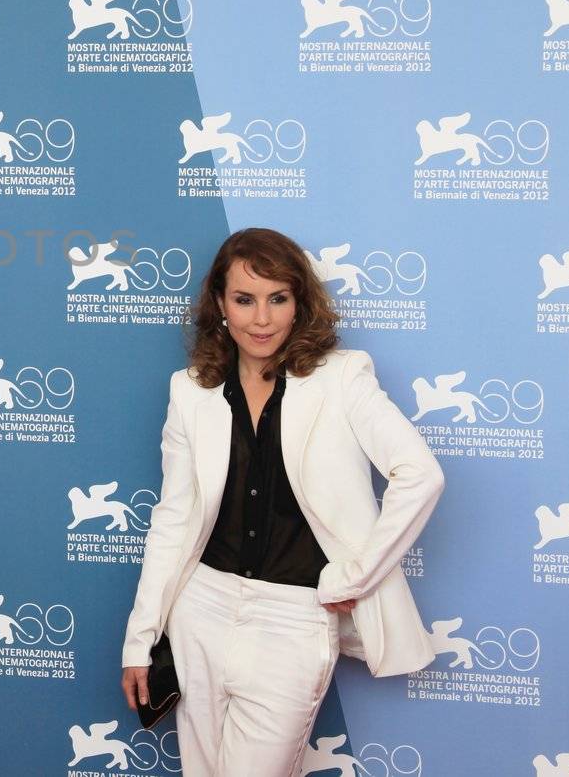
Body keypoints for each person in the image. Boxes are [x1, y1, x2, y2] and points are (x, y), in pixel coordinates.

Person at [119, 227, 444, 777]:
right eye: (244, 300)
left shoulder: (342, 379)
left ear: (299, 304)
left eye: (278, 299)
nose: (262, 319)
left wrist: (356, 576)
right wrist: (141, 637)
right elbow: (173, 519)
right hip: (200, 606)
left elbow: (421, 474)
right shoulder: (190, 390)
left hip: (293, 619)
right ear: (220, 305)